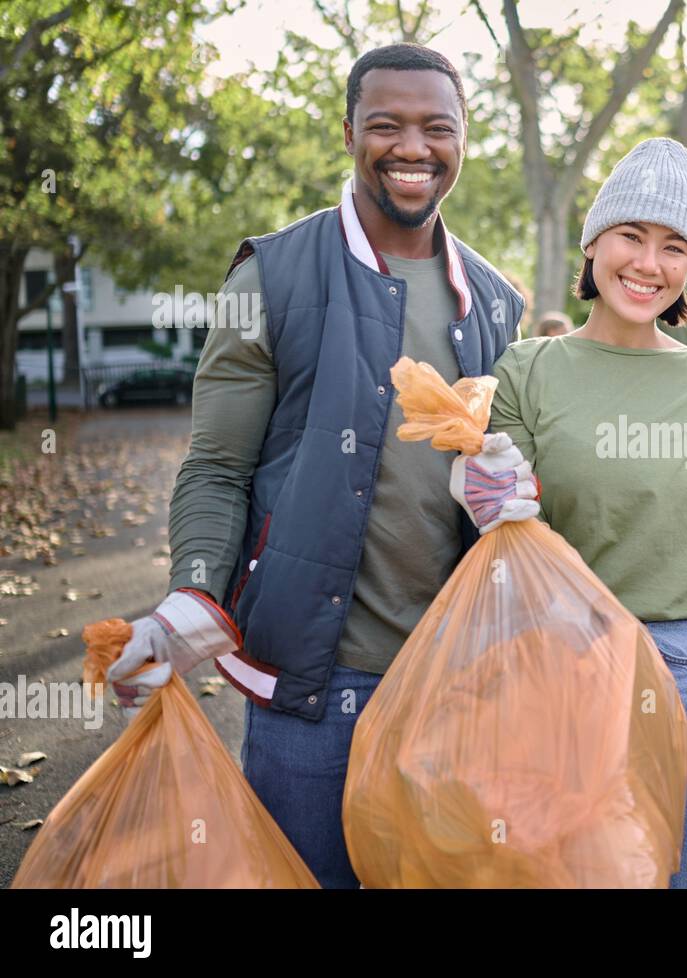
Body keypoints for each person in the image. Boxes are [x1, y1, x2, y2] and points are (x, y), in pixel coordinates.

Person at [104, 44, 530, 888]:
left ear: (463, 140)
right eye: (386, 125)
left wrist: (510, 491)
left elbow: (503, 491)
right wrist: (189, 593)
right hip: (308, 684)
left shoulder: (497, 301)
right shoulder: (270, 275)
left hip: (448, 685)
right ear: (348, 134)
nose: (413, 147)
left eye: (436, 127)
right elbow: (218, 468)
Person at [489, 138, 687, 888]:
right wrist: (488, 497)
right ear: (592, 244)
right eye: (631, 236)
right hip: (557, 662)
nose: (649, 263)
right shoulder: (526, 370)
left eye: (674, 246)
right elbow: (512, 542)